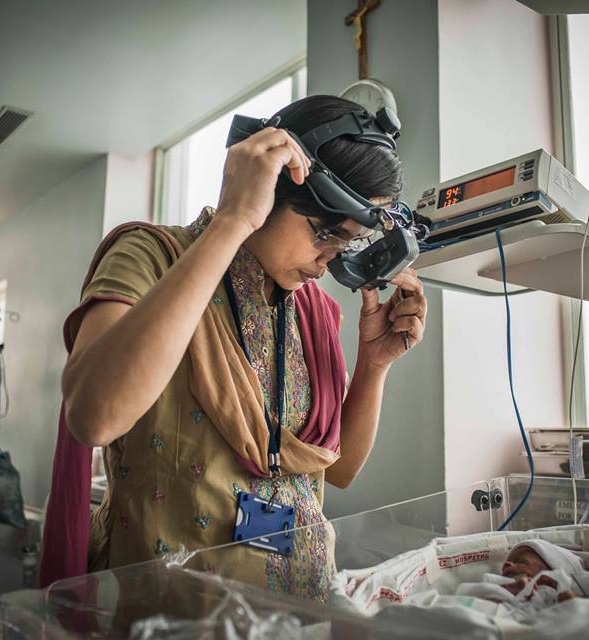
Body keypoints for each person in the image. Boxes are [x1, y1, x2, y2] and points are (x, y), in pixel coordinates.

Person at [40, 95, 428, 600]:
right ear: (267, 190)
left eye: (346, 243)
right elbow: (93, 414)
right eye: (324, 233)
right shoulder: (150, 256)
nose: (327, 260)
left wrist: (374, 365)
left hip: (301, 612)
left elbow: (341, 471)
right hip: (176, 618)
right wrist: (232, 222)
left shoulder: (313, 310)